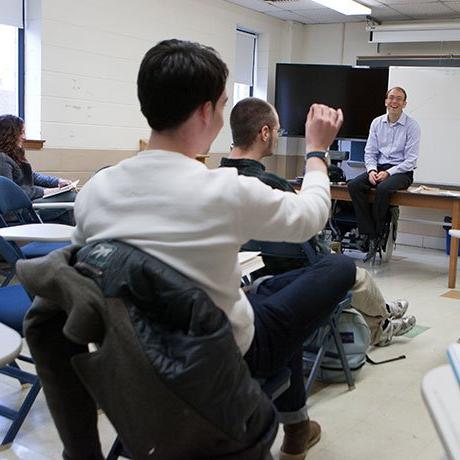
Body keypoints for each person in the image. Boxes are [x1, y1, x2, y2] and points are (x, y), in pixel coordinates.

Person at [72, 39, 356, 460]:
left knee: (270, 293)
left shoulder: (95, 190)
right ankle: (296, 430)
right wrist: (316, 151)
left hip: (134, 359)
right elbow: (311, 215)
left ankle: (296, 428)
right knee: (338, 269)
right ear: (206, 111)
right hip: (222, 358)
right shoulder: (222, 191)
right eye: (222, 105)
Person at [221, 96, 416, 347]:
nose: (279, 135)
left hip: (250, 276)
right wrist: (316, 153)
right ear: (265, 133)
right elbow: (311, 226)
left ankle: (385, 310)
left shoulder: (218, 180)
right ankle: (383, 326)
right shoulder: (272, 186)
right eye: (278, 130)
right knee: (356, 277)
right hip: (288, 273)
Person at [347, 87, 421, 262]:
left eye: (399, 99)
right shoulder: (377, 123)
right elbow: (370, 152)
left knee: (383, 188)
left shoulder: (412, 126)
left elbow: (411, 160)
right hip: (378, 168)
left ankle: (379, 233)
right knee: (354, 185)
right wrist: (372, 170)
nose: (394, 102)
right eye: (391, 98)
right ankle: (370, 233)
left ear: (404, 104)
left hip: (402, 171)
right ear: (386, 101)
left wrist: (388, 172)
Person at [0, 114, 76, 224]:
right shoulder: (2, 159)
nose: (24, 137)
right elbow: (9, 195)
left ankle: (64, 238)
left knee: (66, 207)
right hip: (15, 212)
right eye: (21, 132)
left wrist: (58, 182)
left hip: (26, 204)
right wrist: (46, 191)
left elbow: (34, 176)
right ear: (9, 134)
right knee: (71, 197)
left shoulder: (13, 154)